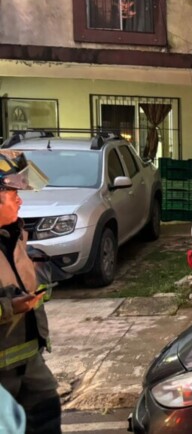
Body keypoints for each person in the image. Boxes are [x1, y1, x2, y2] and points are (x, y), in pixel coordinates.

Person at [0, 150, 61, 433]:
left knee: (47, 413)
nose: (20, 201)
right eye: (14, 194)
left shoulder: (14, 236)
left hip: (29, 363)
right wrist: (11, 306)